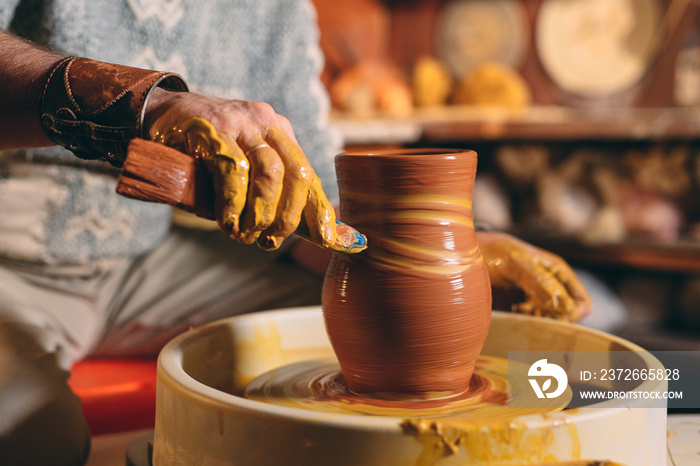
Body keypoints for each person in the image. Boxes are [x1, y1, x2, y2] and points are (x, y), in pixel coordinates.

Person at [0, 1, 590, 464]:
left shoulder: (276, 8)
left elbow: (309, 202)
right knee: (37, 442)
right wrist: (144, 106)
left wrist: (468, 248)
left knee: (395, 312)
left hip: (144, 257)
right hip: (11, 257)